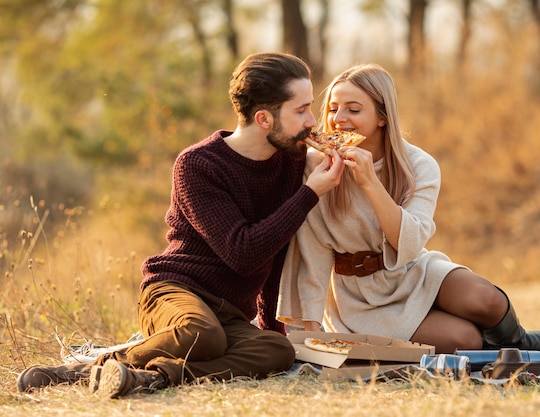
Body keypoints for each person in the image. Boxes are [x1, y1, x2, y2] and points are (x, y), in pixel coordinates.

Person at [17, 52, 345, 397]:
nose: (313, 121)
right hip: (177, 290)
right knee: (202, 335)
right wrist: (311, 193)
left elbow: (275, 252)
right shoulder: (198, 165)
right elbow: (244, 252)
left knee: (276, 351)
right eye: (301, 110)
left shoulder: (290, 164)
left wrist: (269, 329)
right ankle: (82, 370)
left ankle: (152, 377)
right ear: (264, 118)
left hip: (230, 313)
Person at [276, 63, 540, 354]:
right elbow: (312, 251)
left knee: (487, 300)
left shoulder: (419, 165)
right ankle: (491, 347)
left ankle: (522, 342)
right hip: (359, 299)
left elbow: (409, 245)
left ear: (383, 116)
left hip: (413, 272)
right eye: (332, 109)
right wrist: (310, 332)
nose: (338, 118)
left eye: (353, 109)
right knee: (465, 339)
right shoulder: (316, 167)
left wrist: (370, 183)